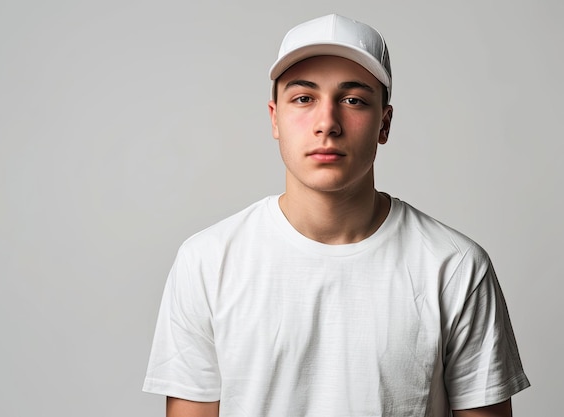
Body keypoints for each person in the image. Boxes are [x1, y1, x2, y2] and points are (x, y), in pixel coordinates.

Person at [143, 14, 530, 417]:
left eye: (353, 100)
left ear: (385, 122)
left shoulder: (454, 267)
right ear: (275, 118)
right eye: (304, 98)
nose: (327, 123)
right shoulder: (207, 261)